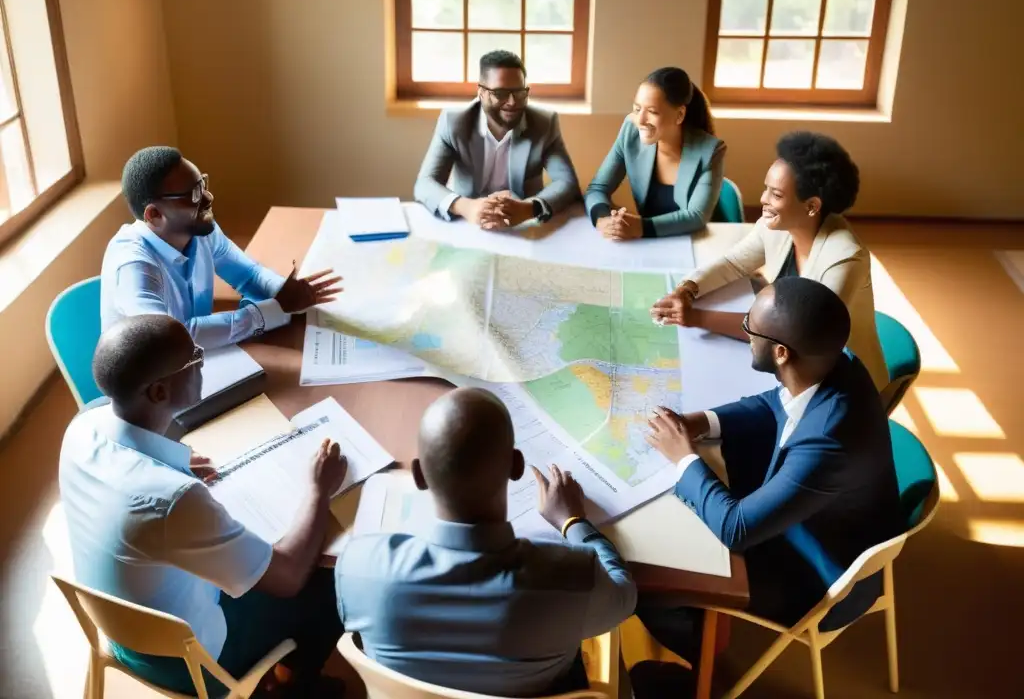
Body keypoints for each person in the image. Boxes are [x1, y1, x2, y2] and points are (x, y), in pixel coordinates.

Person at [59, 314, 347, 697]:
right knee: (327, 581)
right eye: (194, 358)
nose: (202, 361)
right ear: (159, 393)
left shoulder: (82, 427)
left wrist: (170, 459)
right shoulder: (174, 500)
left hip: (121, 628)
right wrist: (318, 488)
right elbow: (288, 576)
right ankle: (295, 687)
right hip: (191, 661)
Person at [641, 277, 903, 665]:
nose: (745, 331)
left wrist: (683, 458)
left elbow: (737, 530)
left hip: (813, 571)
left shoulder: (828, 442)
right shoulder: (835, 361)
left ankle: (706, 662)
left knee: (652, 585)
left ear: (780, 353)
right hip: (816, 515)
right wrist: (702, 422)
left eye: (751, 326)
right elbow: (775, 403)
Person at [334, 387, 636, 697]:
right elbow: (624, 596)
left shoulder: (358, 566)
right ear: (516, 466)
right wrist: (572, 521)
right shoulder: (573, 578)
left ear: (420, 475)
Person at [650, 131, 889, 394]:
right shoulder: (776, 226)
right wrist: (687, 290)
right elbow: (732, 264)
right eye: (767, 189)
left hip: (843, 383)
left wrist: (697, 317)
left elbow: (795, 332)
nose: (763, 200)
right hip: (792, 363)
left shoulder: (844, 258)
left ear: (811, 206)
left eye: (776, 194)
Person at [101, 146, 342, 350]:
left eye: (203, 184)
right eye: (194, 193)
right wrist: (272, 310)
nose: (208, 197)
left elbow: (249, 274)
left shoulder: (200, 231)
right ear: (154, 214)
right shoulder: (134, 267)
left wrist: (285, 292)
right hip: (154, 385)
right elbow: (176, 338)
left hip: (198, 362)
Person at [413, 50, 580, 229]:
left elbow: (567, 182)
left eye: (519, 92)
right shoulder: (454, 122)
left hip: (522, 226)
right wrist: (466, 207)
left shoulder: (544, 123)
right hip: (467, 224)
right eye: (500, 93)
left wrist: (529, 208)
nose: (512, 102)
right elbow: (425, 183)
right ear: (481, 93)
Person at [584, 67, 725, 240]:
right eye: (637, 109)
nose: (641, 121)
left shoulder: (711, 150)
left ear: (680, 115)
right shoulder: (631, 130)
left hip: (698, 243)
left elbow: (696, 216)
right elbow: (598, 188)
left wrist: (642, 227)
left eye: (652, 112)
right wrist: (602, 219)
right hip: (652, 245)